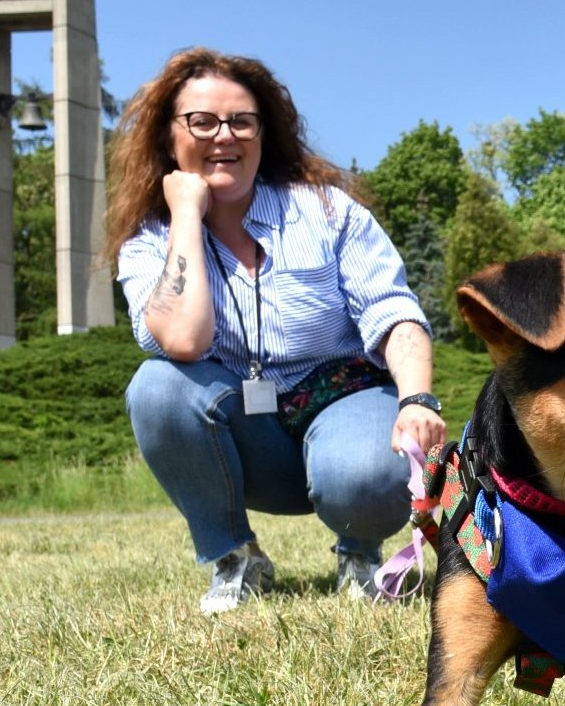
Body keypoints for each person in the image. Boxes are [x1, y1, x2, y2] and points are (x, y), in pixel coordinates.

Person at [108, 48, 447, 615]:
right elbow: (184, 342)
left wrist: (416, 398)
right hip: (248, 437)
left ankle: (360, 554)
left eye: (242, 121)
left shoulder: (326, 212)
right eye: (202, 122)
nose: (225, 136)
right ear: (169, 137)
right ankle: (236, 559)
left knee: (363, 473)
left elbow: (393, 310)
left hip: (345, 405)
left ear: (263, 134)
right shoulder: (149, 242)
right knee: (156, 388)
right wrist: (187, 217)